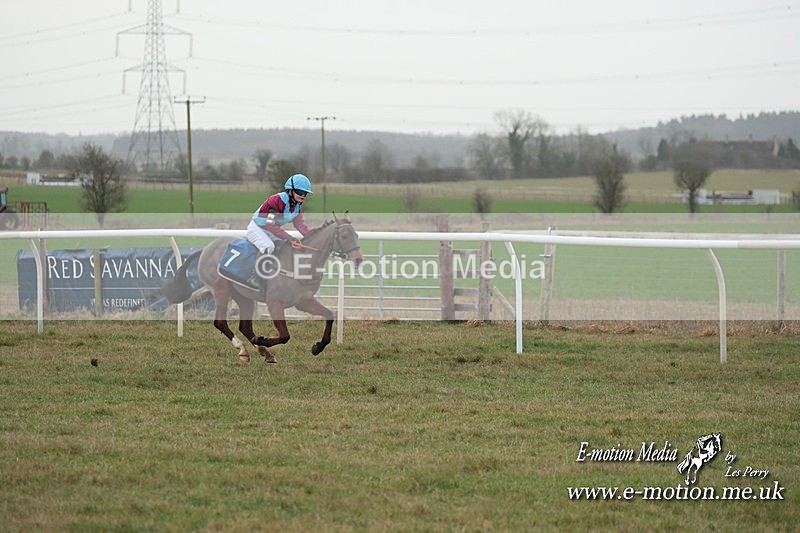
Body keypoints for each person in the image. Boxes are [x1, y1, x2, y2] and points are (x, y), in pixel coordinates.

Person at [246, 173, 314, 259]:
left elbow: (301, 227)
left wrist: (317, 234)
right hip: (257, 228)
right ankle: (256, 271)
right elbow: (269, 224)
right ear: (290, 191)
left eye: (305, 193)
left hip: (270, 231)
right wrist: (288, 237)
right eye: (300, 192)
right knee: (268, 247)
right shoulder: (276, 200)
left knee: (284, 248)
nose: (303, 196)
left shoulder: (297, 207)